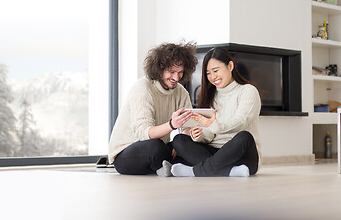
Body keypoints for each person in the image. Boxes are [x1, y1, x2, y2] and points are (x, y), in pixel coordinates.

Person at [108, 42, 198, 176]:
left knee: (190, 147)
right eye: (171, 72)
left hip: (160, 147)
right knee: (156, 147)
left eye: (180, 73)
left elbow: (188, 127)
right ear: (159, 68)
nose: (176, 78)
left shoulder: (181, 92)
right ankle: (168, 167)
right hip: (127, 153)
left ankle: (165, 167)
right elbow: (144, 134)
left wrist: (181, 141)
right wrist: (172, 125)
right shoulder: (142, 88)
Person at [170, 47, 262, 177]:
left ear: (230, 66)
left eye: (215, 70)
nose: (212, 77)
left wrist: (213, 124)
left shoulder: (248, 91)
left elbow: (240, 122)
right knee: (179, 140)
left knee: (244, 137)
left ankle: (194, 171)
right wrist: (199, 135)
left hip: (242, 156)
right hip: (216, 153)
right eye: (208, 73)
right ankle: (230, 171)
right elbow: (210, 135)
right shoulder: (210, 95)